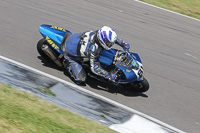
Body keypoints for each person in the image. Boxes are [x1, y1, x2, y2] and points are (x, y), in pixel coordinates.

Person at [62, 26, 130, 84]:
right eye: (109, 43)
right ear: (103, 40)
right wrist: (108, 75)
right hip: (71, 54)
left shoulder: (99, 33)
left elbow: (113, 39)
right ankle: (68, 64)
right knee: (80, 80)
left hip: (77, 40)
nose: (110, 45)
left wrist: (123, 44)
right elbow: (95, 68)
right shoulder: (93, 48)